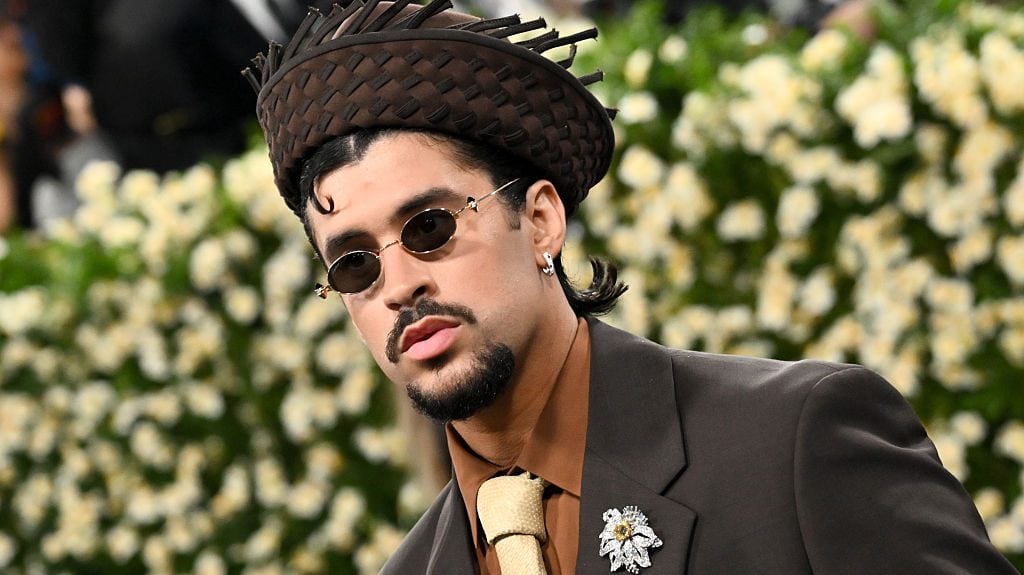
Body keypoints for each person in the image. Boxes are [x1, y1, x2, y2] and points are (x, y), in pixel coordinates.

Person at [245, 1, 1019, 573]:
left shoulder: (793, 442)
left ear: (542, 220)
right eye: (355, 265)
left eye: (430, 229)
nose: (399, 283)